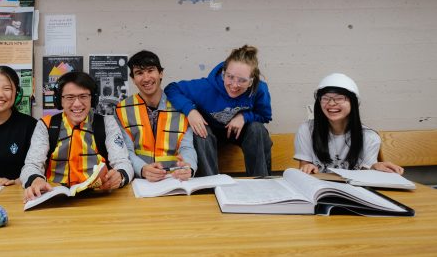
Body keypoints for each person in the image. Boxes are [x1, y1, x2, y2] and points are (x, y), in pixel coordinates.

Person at [21, 71, 133, 202]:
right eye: (70, 97)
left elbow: (123, 162)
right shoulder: (46, 125)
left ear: (93, 99)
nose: (77, 104)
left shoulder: (107, 123)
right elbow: (31, 165)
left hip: (98, 198)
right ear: (60, 100)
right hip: (55, 197)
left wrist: (120, 176)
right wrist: (36, 180)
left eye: (83, 96)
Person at [165, 45, 272, 177]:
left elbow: (264, 116)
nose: (234, 85)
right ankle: (211, 184)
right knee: (199, 132)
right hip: (210, 134)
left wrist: (244, 117)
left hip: (239, 133)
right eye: (230, 77)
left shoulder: (259, 90)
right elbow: (171, 89)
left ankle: (261, 182)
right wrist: (190, 111)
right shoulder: (206, 87)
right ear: (223, 73)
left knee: (257, 129)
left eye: (242, 80)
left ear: (251, 81)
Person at [294, 73, 404, 174]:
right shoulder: (307, 130)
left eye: (339, 98)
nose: (331, 103)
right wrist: (307, 167)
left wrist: (373, 169)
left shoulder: (370, 137)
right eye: (325, 98)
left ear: (353, 102)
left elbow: (366, 177)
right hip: (319, 188)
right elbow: (305, 169)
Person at [116, 50, 196, 182]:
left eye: (150, 70)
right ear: (133, 79)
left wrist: (189, 167)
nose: (146, 78)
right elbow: (125, 151)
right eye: (139, 73)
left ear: (161, 73)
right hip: (140, 182)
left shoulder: (181, 107)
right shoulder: (122, 109)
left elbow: (187, 147)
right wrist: (142, 169)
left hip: (175, 180)